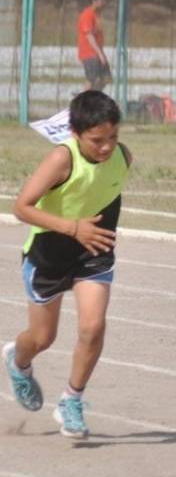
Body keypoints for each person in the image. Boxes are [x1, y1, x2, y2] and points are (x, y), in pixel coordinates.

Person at [4, 91, 132, 440]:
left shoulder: (122, 156)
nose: (107, 147)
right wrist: (73, 227)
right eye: (97, 140)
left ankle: (72, 399)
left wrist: (89, 233)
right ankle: (18, 362)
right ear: (75, 133)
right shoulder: (62, 159)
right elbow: (22, 207)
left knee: (93, 327)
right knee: (42, 338)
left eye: (113, 137)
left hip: (94, 252)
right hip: (48, 254)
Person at [76, 0, 111, 92]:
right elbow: (89, 36)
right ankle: (82, 101)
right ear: (94, 1)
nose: (103, 2)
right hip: (89, 53)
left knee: (106, 77)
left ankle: (93, 97)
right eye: (100, 0)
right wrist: (100, 54)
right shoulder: (87, 15)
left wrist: (101, 52)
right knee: (92, 79)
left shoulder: (96, 15)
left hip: (97, 52)